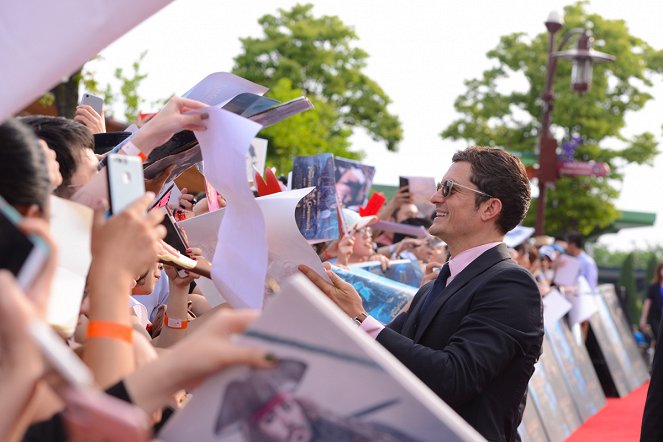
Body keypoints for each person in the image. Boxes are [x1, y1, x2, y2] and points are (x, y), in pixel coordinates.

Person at [301, 146, 543, 442]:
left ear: (489, 208)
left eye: (450, 188)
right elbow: (382, 357)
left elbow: (453, 378)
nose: (435, 197)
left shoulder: (511, 285)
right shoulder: (435, 284)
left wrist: (359, 317)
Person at [214, 359, 419, 442]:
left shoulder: (361, 431)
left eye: (286, 407)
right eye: (269, 419)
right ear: (259, 433)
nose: (288, 422)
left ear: (299, 405)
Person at [640, 262, 663, 340]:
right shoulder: (654, 286)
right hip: (655, 316)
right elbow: (647, 303)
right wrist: (643, 318)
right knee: (658, 335)